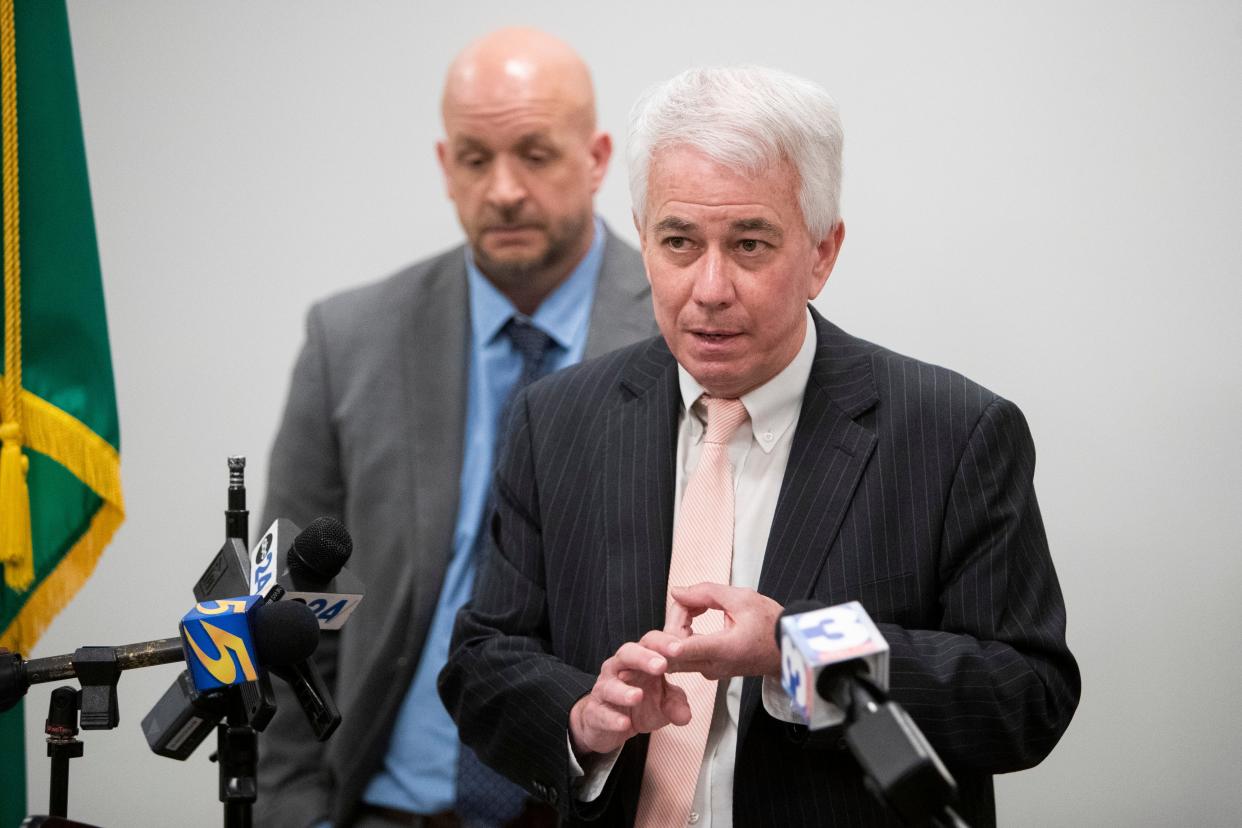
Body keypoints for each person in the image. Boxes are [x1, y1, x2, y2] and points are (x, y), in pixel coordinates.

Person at [439, 65, 1081, 827]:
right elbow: (485, 660)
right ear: (643, 243)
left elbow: (1027, 695)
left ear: (822, 253)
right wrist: (583, 717)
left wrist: (797, 646)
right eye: (679, 242)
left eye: (749, 244)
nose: (709, 287)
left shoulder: (955, 433)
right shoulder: (558, 421)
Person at [256, 28, 656, 828]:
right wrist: (295, 809)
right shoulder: (352, 339)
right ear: (447, 168)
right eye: (475, 159)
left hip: (603, 805)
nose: (503, 189)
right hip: (388, 806)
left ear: (599, 158)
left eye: (535, 154)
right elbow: (282, 607)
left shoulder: (684, 335)